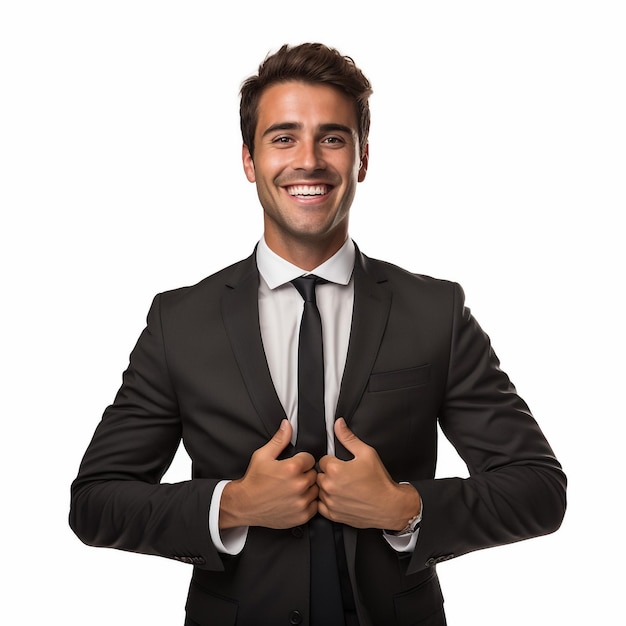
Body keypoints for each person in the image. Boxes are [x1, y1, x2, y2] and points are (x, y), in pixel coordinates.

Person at [70, 43, 566, 626]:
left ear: (361, 159)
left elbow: (538, 488)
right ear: (250, 161)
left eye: (332, 137)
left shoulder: (435, 311)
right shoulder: (179, 321)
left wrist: (404, 508)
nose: (308, 160)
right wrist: (230, 506)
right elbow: (97, 501)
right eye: (282, 138)